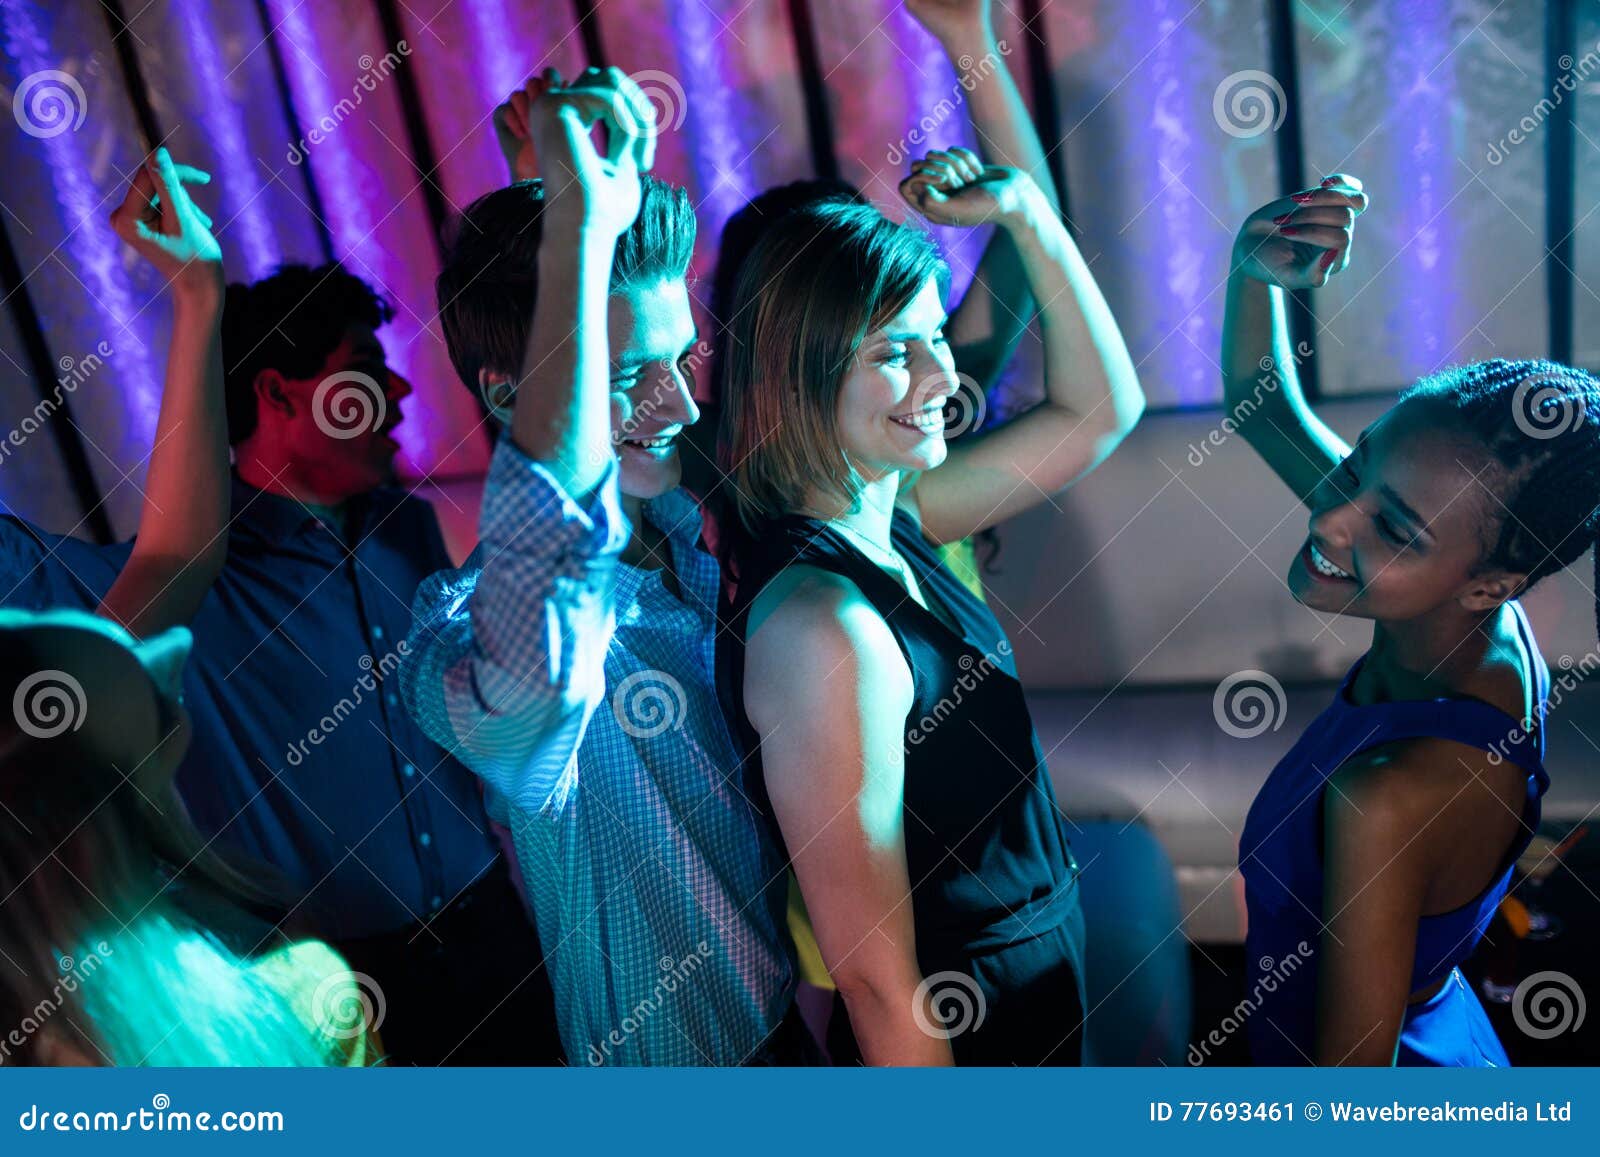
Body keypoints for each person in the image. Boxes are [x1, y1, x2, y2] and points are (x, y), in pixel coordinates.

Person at [1, 272, 558, 1061]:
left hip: (492, 929)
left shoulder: (410, 526)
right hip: (340, 977)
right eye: (364, 365)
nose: (397, 390)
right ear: (279, 392)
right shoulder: (197, 579)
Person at [401, 68, 804, 1065]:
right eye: (632, 378)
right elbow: (541, 643)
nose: (681, 403)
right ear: (504, 394)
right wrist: (574, 236)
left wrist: (560, 209)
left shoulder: (696, 527)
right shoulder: (459, 638)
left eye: (684, 359)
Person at [717, 147, 1144, 1065]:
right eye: (891, 353)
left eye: (936, 338)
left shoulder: (898, 515)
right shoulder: (821, 624)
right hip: (967, 1020)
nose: (943, 379)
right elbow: (875, 978)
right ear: (798, 382)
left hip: (1031, 982)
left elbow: (1102, 408)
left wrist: (1026, 213)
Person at [1226, 174, 1598, 1065]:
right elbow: (1261, 400)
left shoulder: (1391, 794)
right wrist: (1256, 269)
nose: (1329, 517)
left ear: (1491, 583)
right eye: (1357, 466)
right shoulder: (1472, 618)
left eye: (1392, 527)